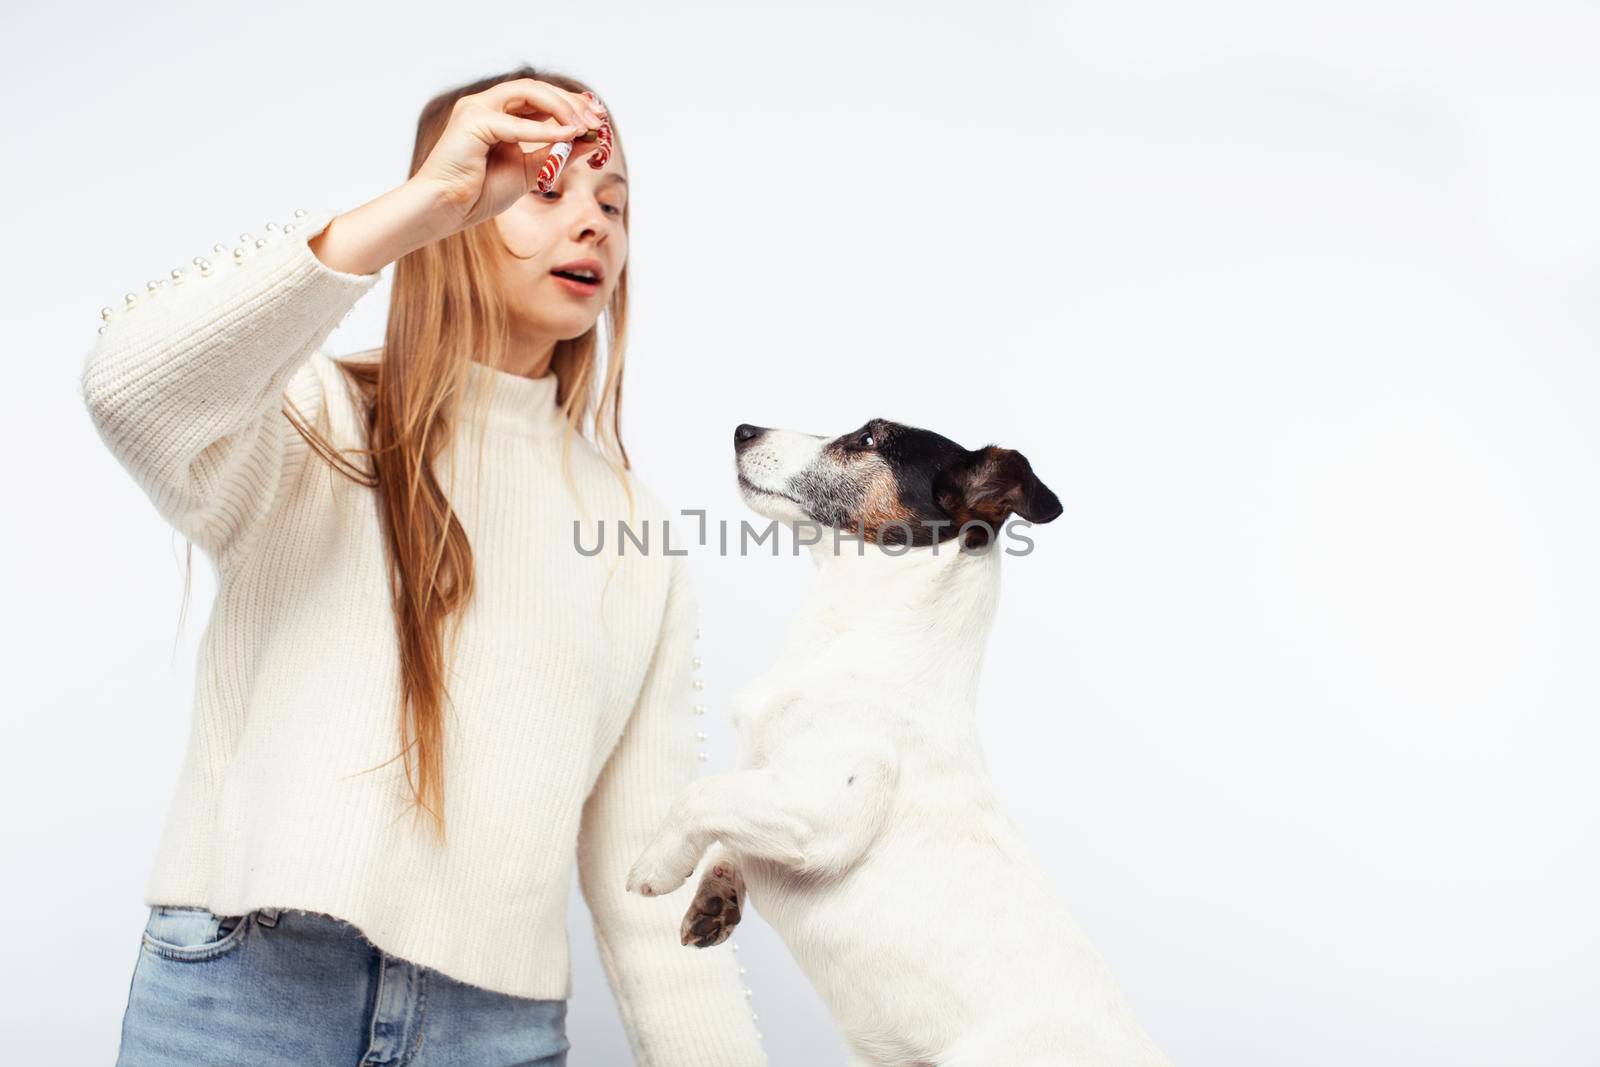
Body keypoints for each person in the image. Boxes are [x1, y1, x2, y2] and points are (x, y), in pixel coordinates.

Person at [80, 64, 765, 1066]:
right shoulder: (312, 424)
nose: (594, 228)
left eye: (613, 205)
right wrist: (422, 205)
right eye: (541, 189)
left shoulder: (630, 528)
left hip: (492, 1031)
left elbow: (646, 881)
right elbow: (129, 385)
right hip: (247, 998)